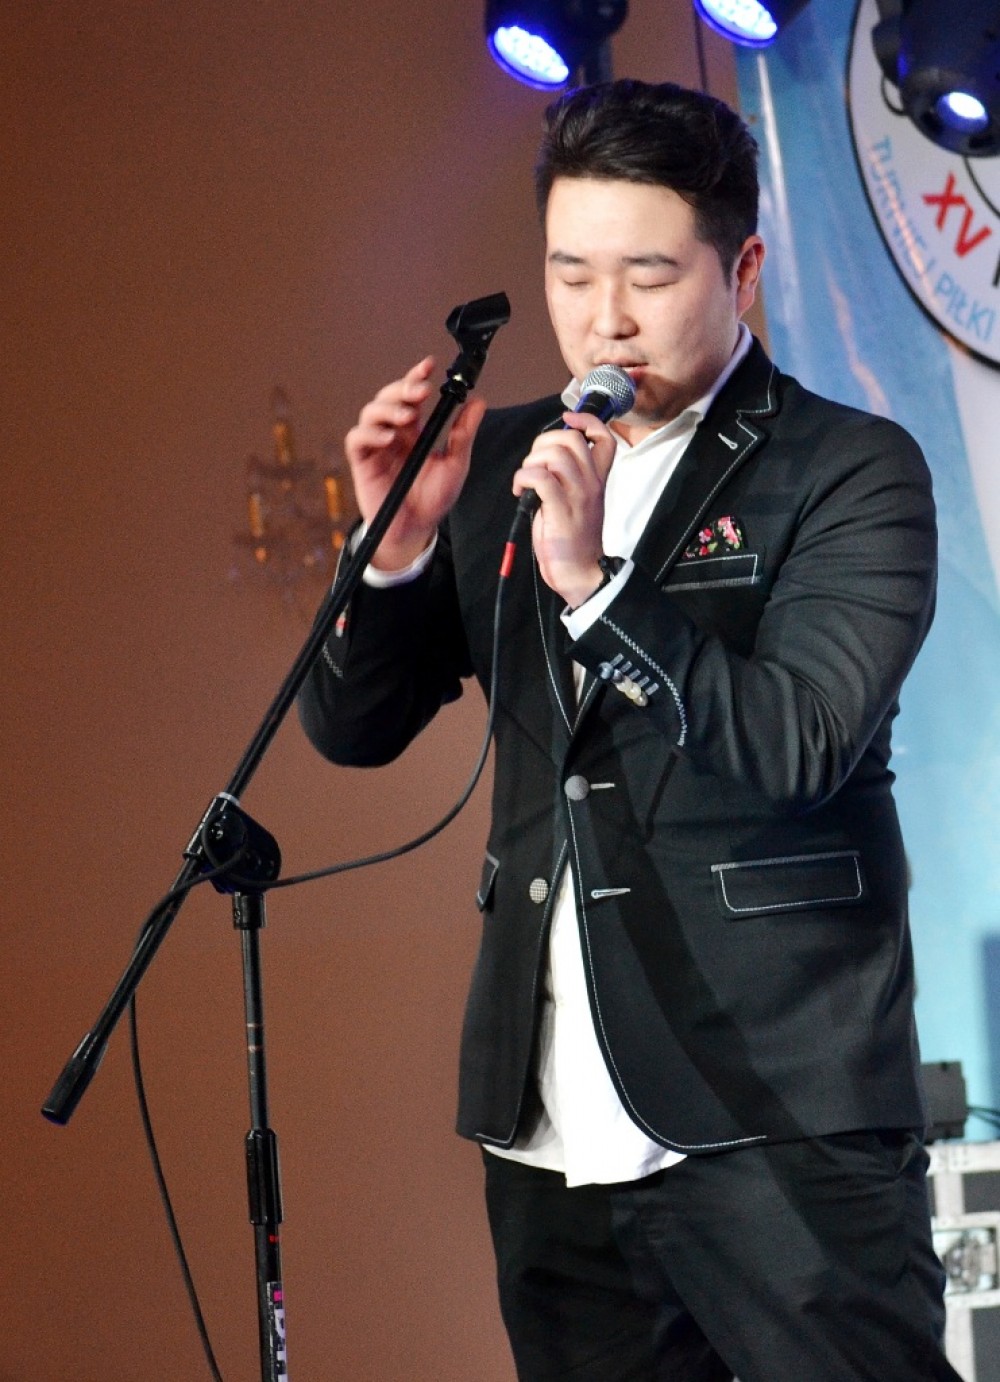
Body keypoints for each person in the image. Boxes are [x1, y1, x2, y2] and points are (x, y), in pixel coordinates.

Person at [299, 79, 957, 1381]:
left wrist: (599, 587)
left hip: (780, 1114)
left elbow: (798, 741)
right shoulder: (502, 464)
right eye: (570, 273)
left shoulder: (848, 468)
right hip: (554, 1128)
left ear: (743, 270)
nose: (604, 317)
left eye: (649, 275)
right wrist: (395, 546)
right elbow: (354, 726)